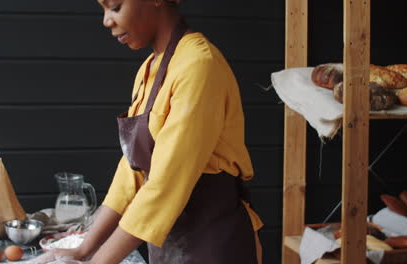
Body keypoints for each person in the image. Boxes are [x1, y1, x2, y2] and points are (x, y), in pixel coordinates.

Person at [37, 0, 263, 263]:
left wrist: (98, 262)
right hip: (169, 243)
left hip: (213, 244)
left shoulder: (199, 65)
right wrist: (84, 249)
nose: (106, 20)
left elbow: (166, 183)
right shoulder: (149, 69)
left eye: (115, 6)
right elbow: (132, 171)